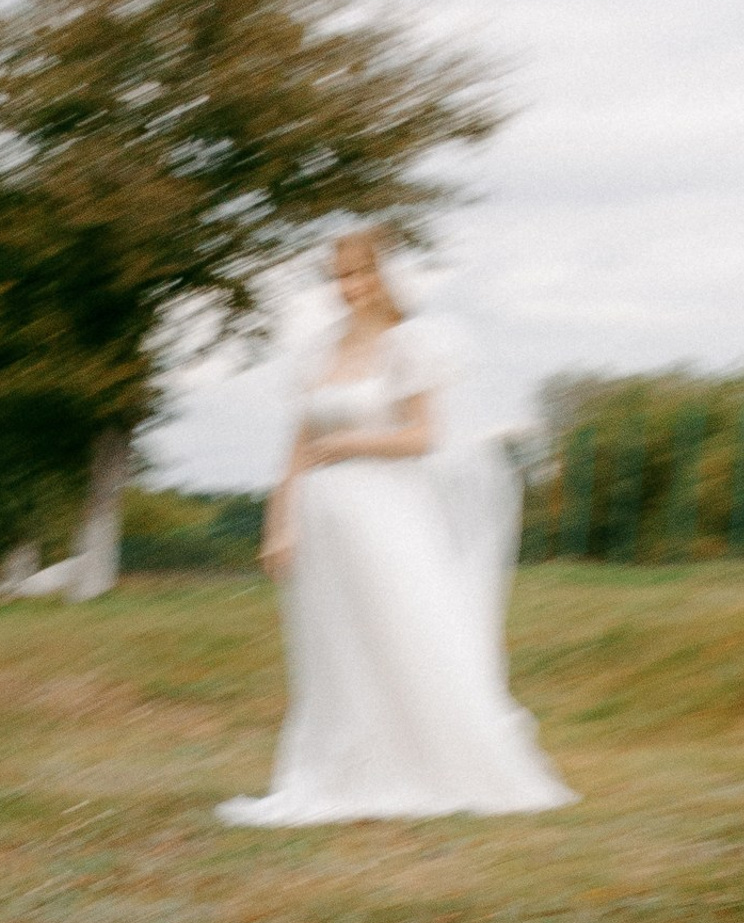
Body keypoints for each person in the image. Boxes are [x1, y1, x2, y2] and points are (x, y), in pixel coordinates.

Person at [219, 227, 574, 827]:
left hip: (383, 512)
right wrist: (278, 525)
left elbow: (423, 436)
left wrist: (348, 441)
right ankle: (344, 771)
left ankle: (432, 764)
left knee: (403, 631)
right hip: (322, 519)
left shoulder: (410, 346)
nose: (349, 288)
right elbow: (295, 449)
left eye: (360, 274)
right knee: (335, 645)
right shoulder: (317, 353)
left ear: (383, 278)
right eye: (339, 277)